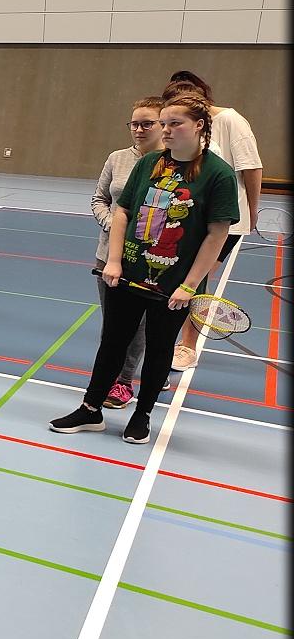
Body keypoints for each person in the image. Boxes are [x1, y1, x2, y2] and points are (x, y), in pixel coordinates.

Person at [50, 94, 238, 444]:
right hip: (129, 272)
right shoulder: (149, 163)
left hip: (175, 282)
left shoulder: (218, 174)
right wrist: (115, 261)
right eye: (163, 124)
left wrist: (190, 284)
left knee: (159, 348)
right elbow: (122, 211)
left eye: (175, 123)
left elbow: (217, 233)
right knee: (113, 342)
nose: (166, 130)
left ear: (199, 126)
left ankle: (142, 415)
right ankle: (91, 409)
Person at [160, 72, 264, 372]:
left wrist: (252, 210)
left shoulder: (230, 120)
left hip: (224, 219)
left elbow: (252, 167)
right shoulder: (178, 127)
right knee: (181, 277)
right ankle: (166, 339)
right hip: (191, 215)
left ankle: (187, 346)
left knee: (198, 280)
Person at [90, 97, 165, 408]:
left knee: (140, 326)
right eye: (134, 124)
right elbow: (99, 199)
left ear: (163, 125)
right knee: (113, 324)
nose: (138, 129)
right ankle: (109, 377)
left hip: (150, 261)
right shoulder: (117, 158)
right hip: (109, 255)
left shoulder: (174, 164)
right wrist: (115, 226)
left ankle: (124, 380)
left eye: (147, 123)